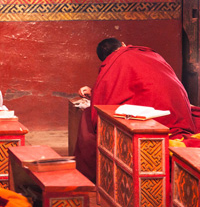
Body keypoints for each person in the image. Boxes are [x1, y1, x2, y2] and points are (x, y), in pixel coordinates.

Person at [74, 38, 200, 183]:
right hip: (178, 107)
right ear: (123, 44)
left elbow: (108, 94)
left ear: (105, 58)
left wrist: (94, 93)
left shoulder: (111, 63)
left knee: (87, 118)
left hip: (153, 115)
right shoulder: (150, 53)